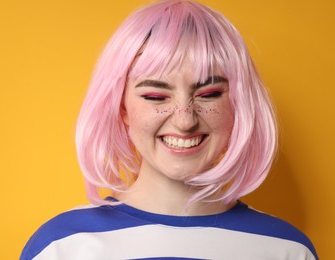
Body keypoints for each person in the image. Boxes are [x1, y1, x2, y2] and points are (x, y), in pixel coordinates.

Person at [21, 0, 318, 259]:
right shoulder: (61, 247)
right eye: (155, 97)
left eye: (209, 94)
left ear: (237, 104)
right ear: (122, 108)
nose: (185, 120)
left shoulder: (286, 250)